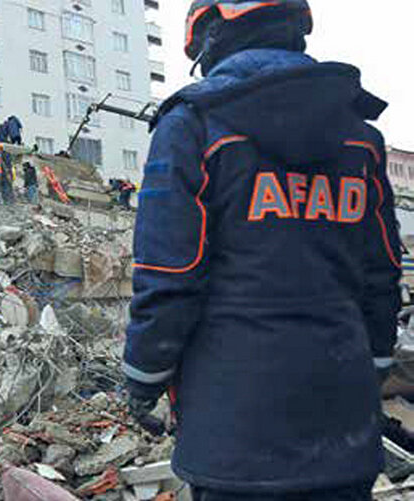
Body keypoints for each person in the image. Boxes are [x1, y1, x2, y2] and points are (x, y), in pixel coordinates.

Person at [124, 2, 400, 500]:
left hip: (234, 440)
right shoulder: (362, 139)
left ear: (210, 37)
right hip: (345, 430)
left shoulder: (193, 126)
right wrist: (375, 365)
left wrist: (142, 377)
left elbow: (169, 275)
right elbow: (382, 275)